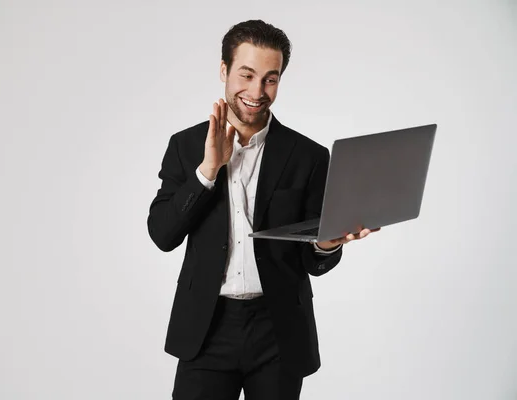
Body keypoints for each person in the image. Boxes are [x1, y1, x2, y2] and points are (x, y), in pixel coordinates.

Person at [147, 19, 378, 400]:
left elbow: (313, 262)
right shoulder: (186, 146)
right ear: (224, 71)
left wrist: (327, 245)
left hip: (279, 329)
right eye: (247, 75)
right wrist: (207, 172)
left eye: (270, 79)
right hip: (206, 327)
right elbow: (162, 234)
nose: (257, 91)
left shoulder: (309, 156)